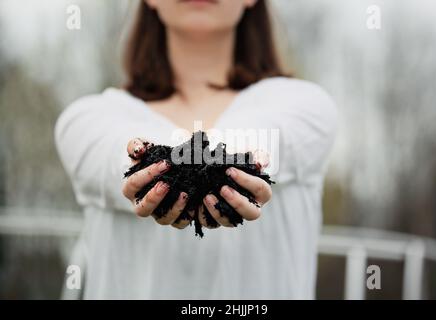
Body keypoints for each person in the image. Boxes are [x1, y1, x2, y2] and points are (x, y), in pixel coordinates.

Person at [55, 0, 338, 299]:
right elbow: (110, 158)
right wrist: (150, 167)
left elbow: (273, 138)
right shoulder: (90, 118)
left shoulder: (307, 107)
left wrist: (176, 168)